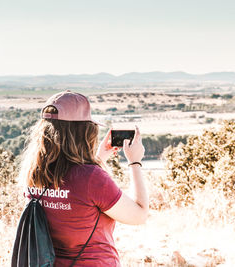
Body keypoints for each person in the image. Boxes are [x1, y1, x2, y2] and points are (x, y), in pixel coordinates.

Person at [18, 90, 149, 266]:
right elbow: (139, 215)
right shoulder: (91, 178)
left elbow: (71, 190)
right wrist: (135, 162)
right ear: (84, 132)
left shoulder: (33, 173)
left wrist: (98, 157)